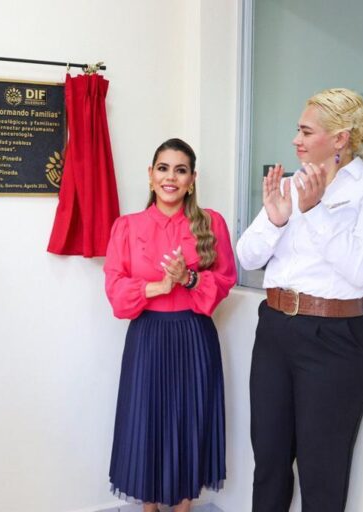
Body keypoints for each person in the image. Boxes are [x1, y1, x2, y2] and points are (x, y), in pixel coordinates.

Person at [236, 87, 363, 512]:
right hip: (275, 330)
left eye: (306, 132)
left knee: (322, 477)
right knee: (269, 465)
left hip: (333, 341)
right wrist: (276, 220)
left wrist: (315, 212)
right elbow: (248, 255)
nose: (296, 140)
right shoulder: (290, 185)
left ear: (340, 139)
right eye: (298, 130)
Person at [104, 138, 236, 512]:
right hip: (147, 336)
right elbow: (115, 290)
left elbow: (224, 281)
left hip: (194, 337)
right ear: (150, 175)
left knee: (190, 419)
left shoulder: (211, 223)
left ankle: (183, 508)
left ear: (192, 179)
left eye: (180, 170)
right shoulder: (126, 227)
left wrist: (188, 280)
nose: (171, 178)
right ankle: (149, 508)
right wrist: (157, 286)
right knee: (147, 421)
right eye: (163, 168)